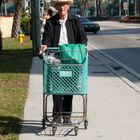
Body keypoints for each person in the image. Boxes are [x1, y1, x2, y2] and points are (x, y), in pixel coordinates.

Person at [40, 0, 87, 124]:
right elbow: (47, 37)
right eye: (59, 5)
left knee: (69, 88)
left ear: (68, 6)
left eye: (64, 4)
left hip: (71, 58)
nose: (62, 7)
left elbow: (82, 36)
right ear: (56, 7)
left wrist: (83, 46)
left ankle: (66, 117)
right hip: (56, 57)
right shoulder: (51, 22)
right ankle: (56, 116)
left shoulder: (74, 20)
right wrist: (45, 45)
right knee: (56, 88)